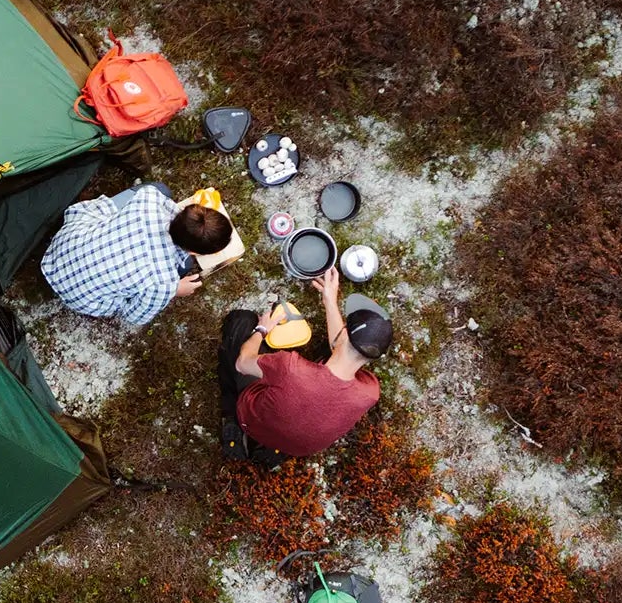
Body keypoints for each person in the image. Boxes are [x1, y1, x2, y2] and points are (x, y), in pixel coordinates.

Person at [219, 266, 388, 460]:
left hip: (254, 420)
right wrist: (329, 300)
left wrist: (262, 329)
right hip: (297, 448)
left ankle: (233, 418)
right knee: (329, 360)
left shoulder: (290, 368)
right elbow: (340, 347)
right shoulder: (370, 391)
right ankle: (273, 451)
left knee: (240, 322)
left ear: (344, 334)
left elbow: (243, 363)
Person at [40, 182, 235, 329]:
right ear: (193, 252)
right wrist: (174, 290)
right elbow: (133, 317)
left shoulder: (149, 198)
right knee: (183, 268)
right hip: (79, 295)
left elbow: (156, 196)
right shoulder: (163, 283)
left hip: (66, 246)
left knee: (160, 187)